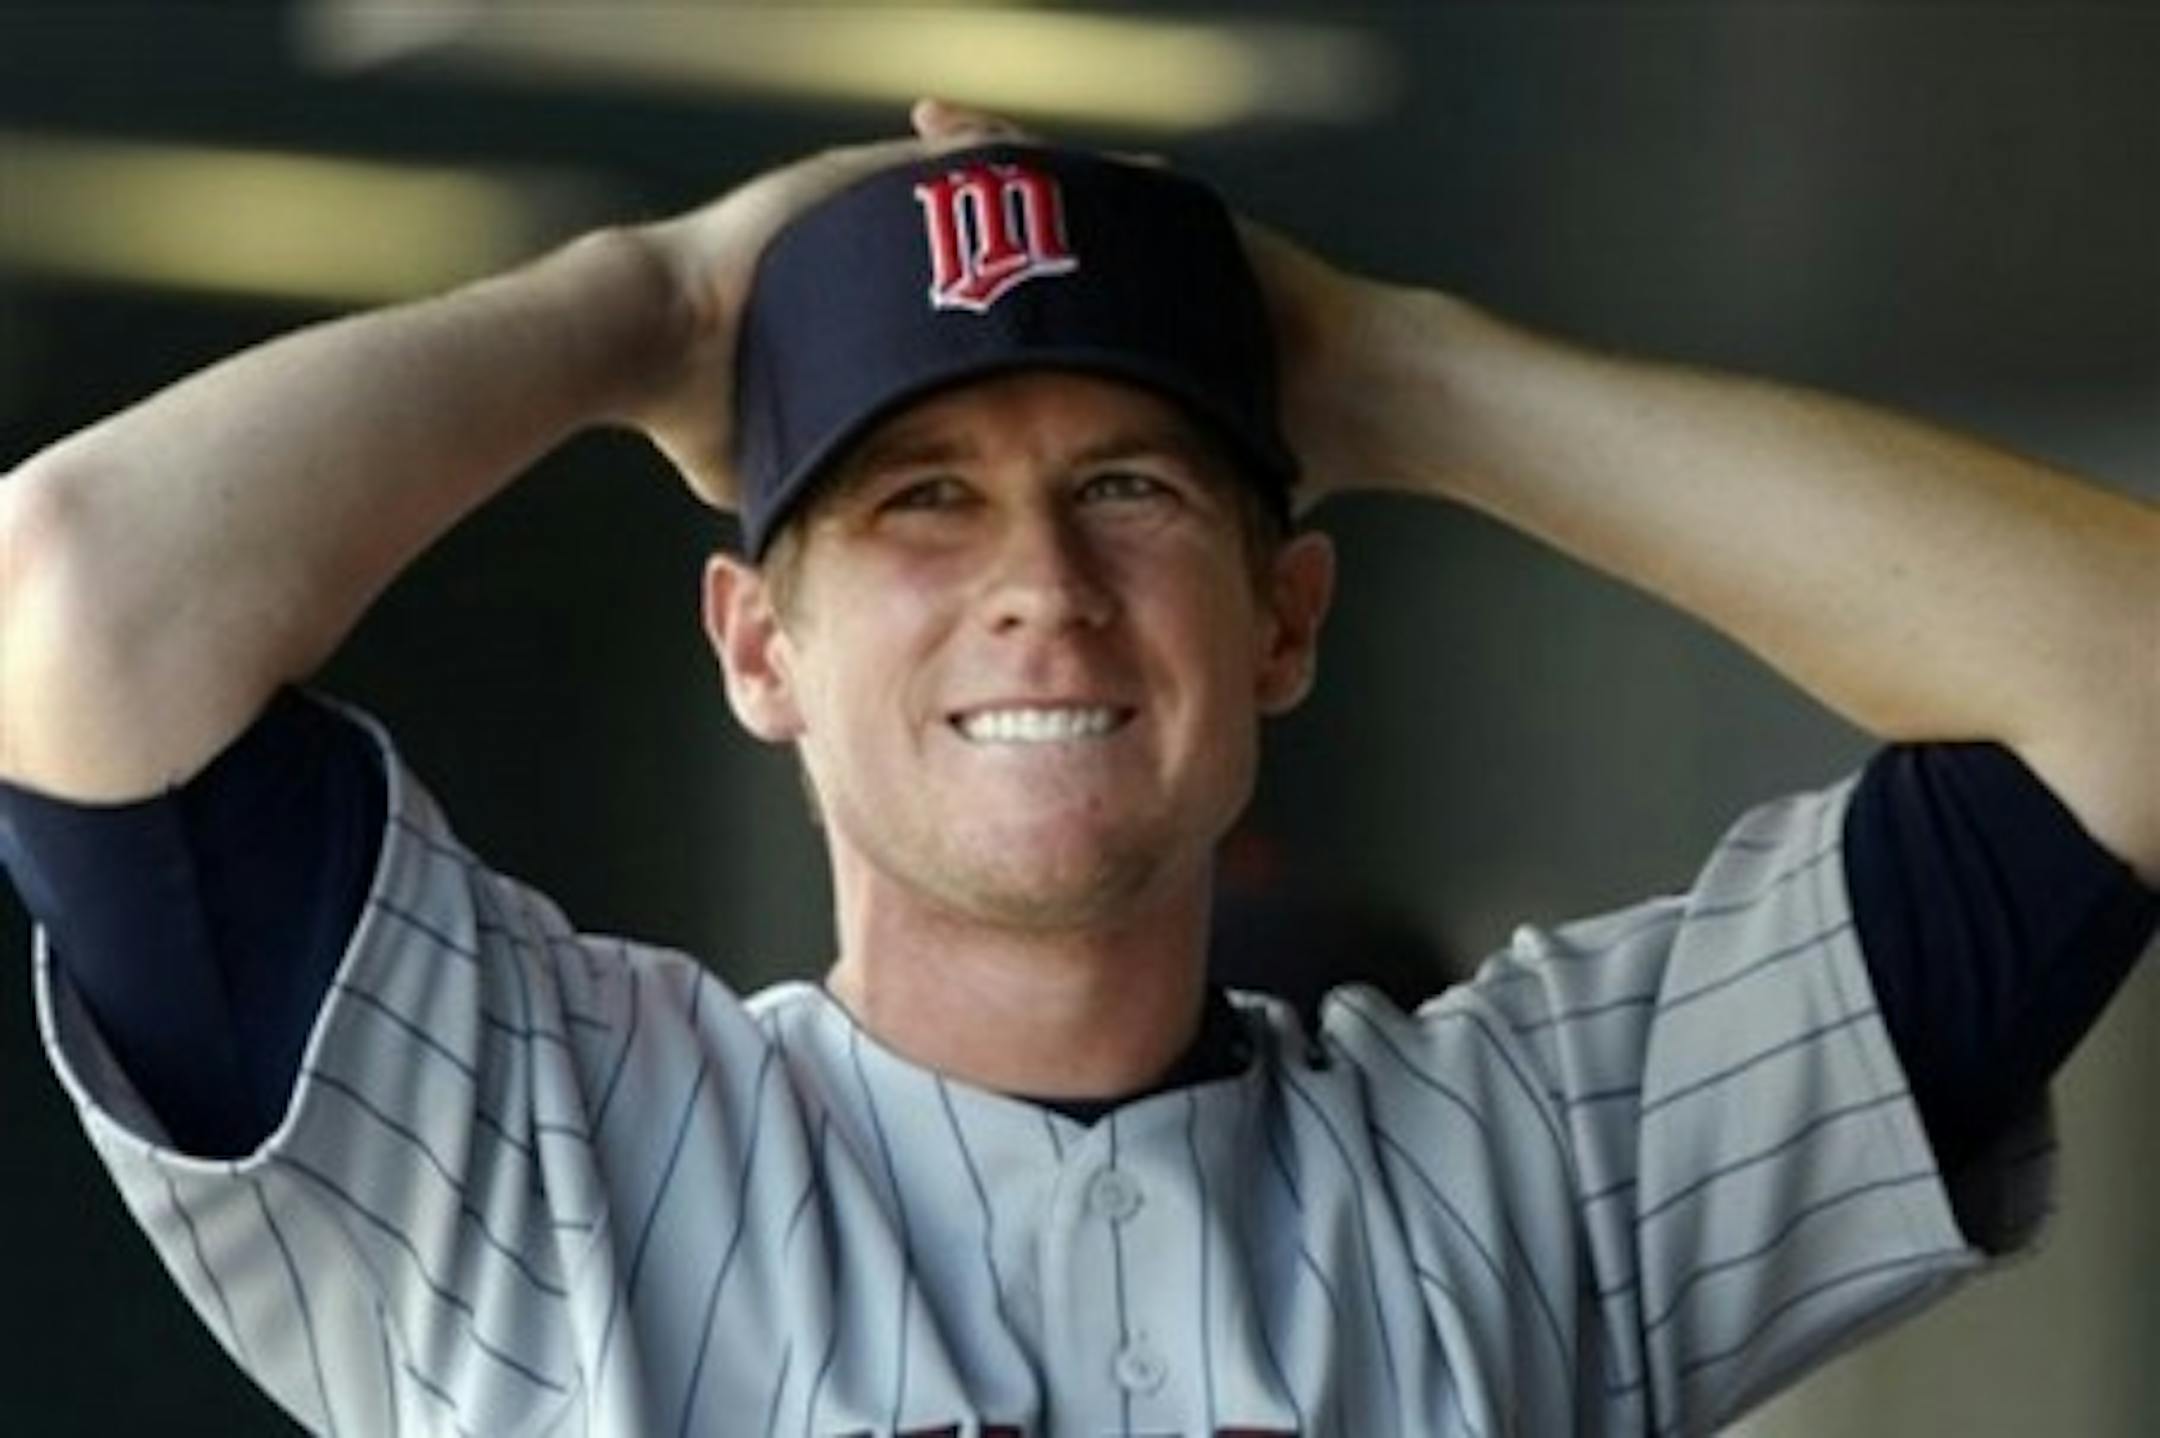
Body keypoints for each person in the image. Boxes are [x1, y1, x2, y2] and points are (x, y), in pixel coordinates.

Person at [0, 98, 2152, 1437]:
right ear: (762, 644)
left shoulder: (1539, 1177)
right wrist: (641, 304)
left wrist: (1392, 369)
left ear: (1284, 615)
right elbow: (74, 595)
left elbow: (2127, 674)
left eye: (1131, 485)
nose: (1040, 583)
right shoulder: (534, 1147)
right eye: (919, 498)